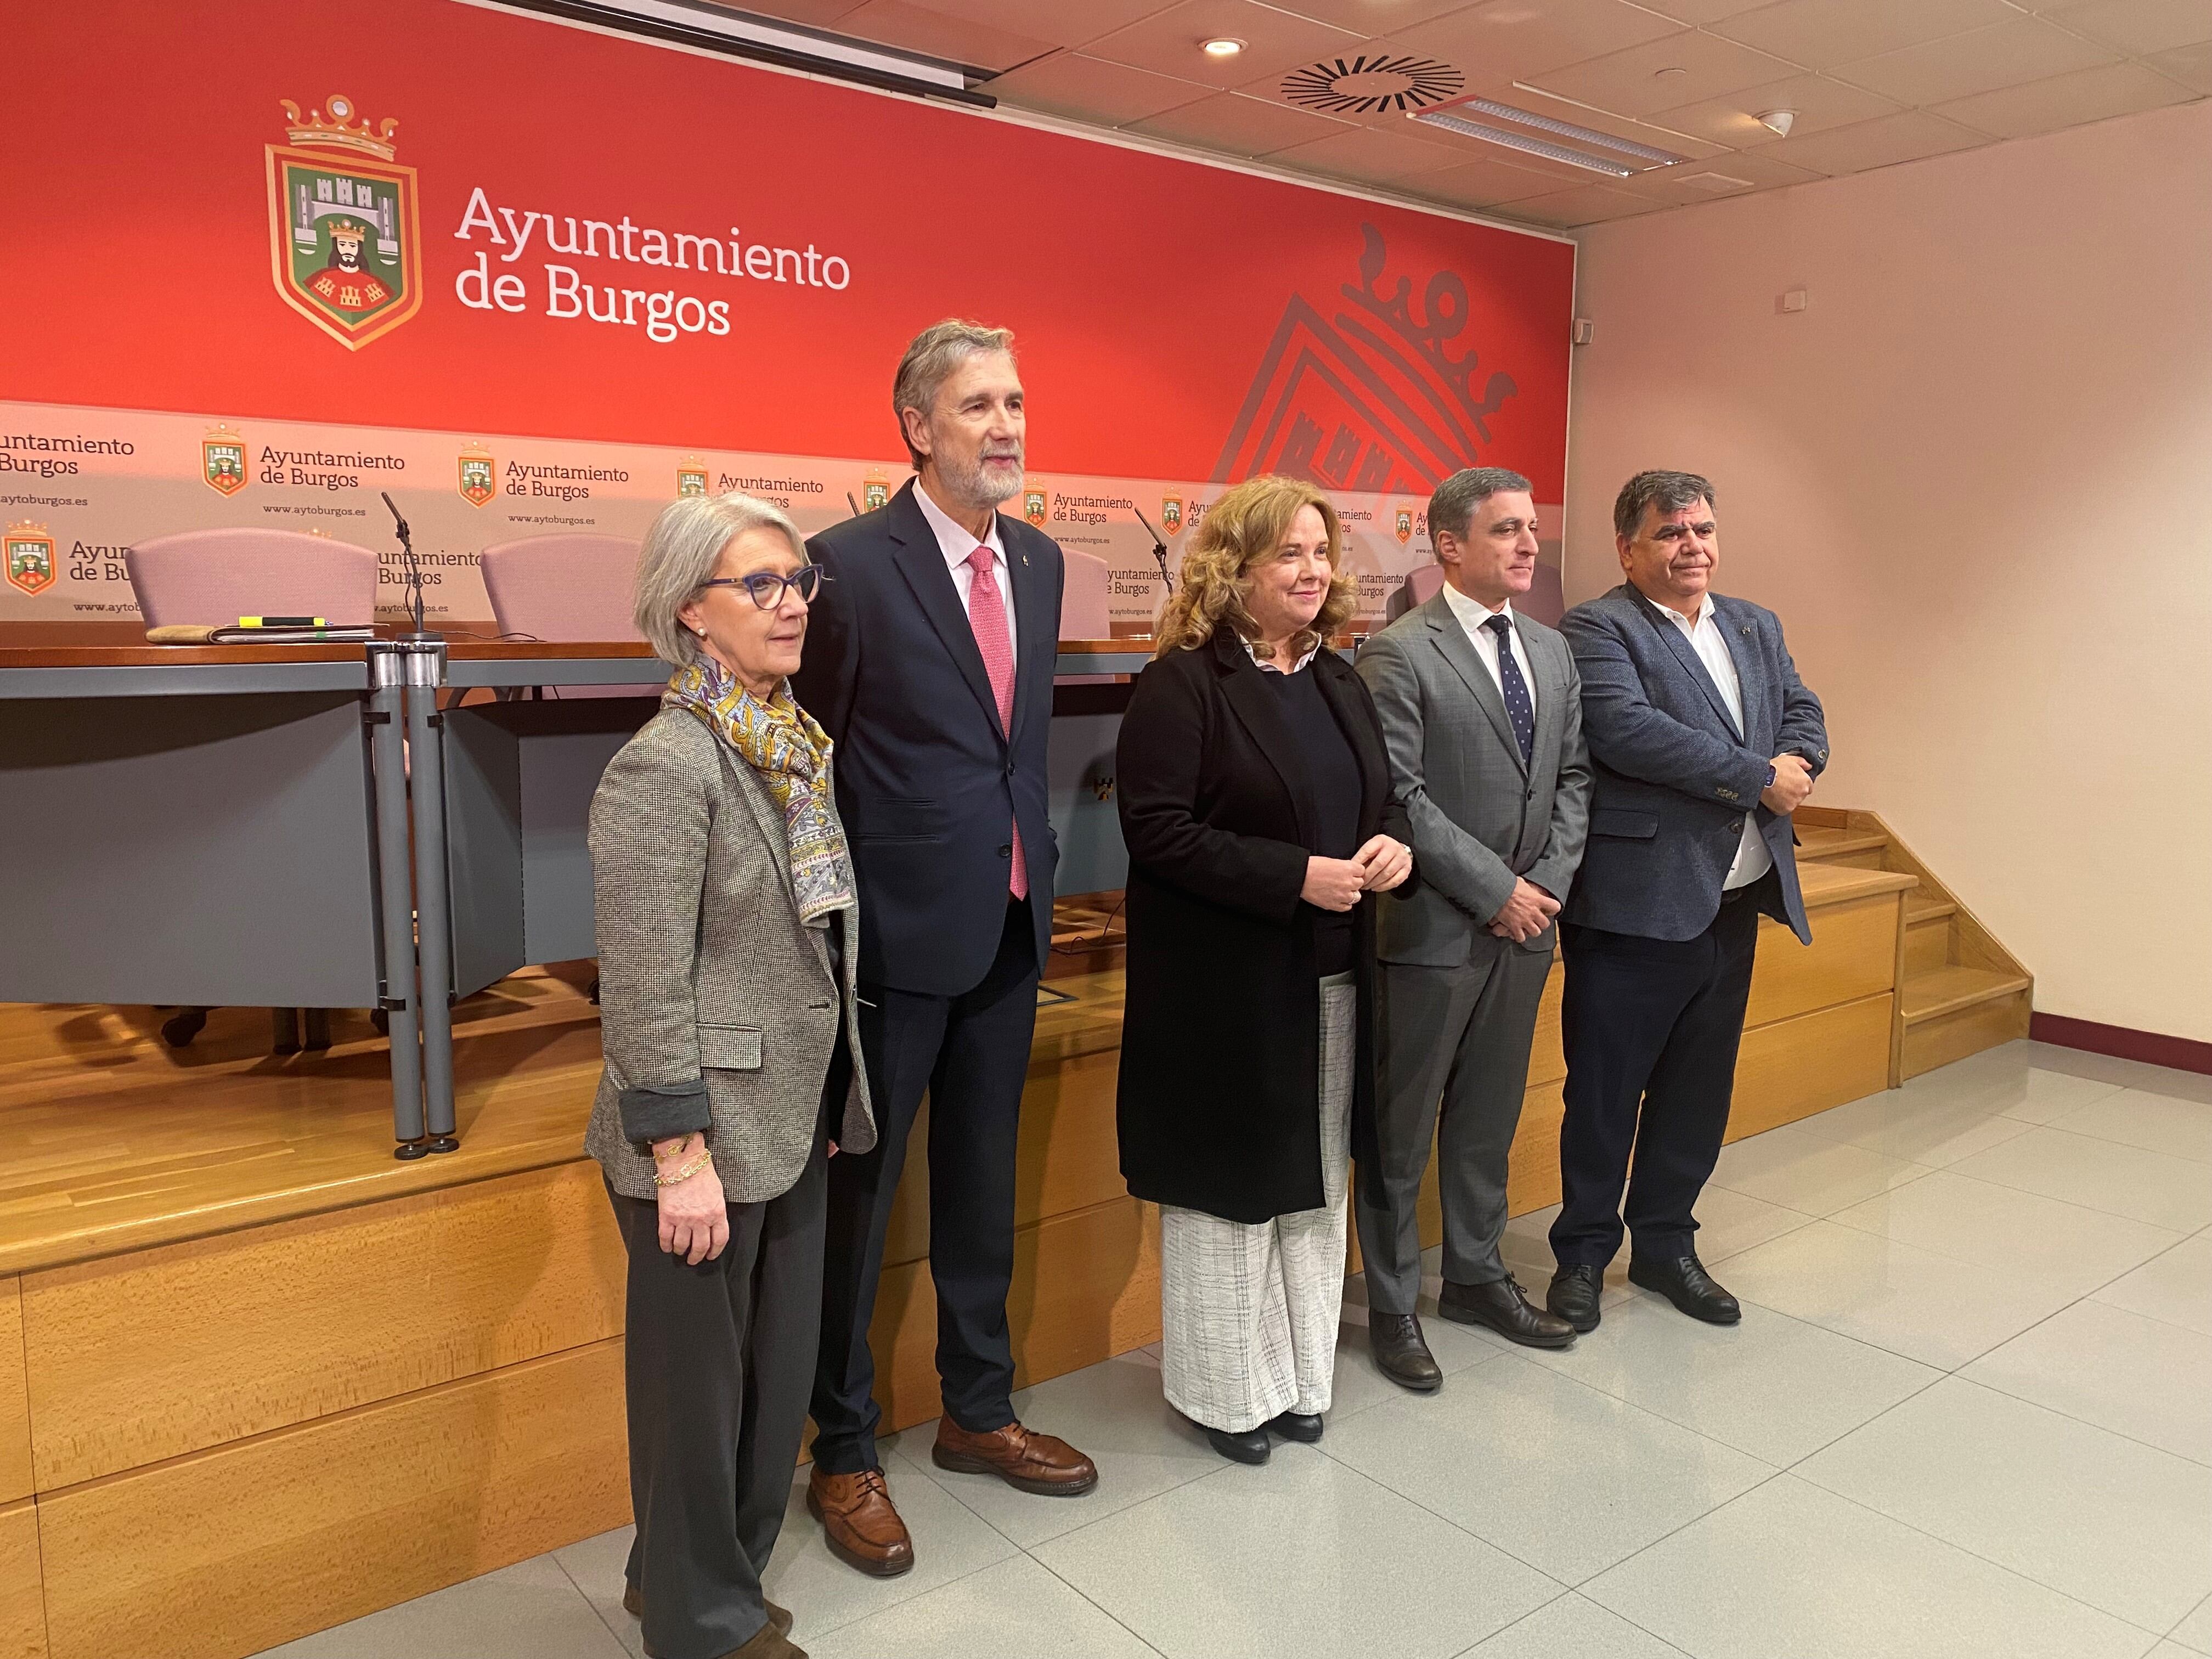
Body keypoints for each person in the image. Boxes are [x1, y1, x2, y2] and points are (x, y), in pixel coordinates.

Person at [792, 320, 1095, 1579]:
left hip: (1013, 920)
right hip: (892, 941)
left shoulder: (1040, 559)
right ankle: (845, 1448)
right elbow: (811, 763)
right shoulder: (845, 566)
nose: (1009, 425)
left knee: (982, 1185)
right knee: (861, 1207)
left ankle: (979, 1411)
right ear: (917, 426)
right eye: (979, 405)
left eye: (1016, 400)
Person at [585, 491, 876, 1659]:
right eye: (758, 585)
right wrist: (678, 1155)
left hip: (792, 1115)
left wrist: (837, 1092)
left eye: (797, 579)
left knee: (768, 1386)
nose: (790, 602)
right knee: (694, 1408)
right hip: (699, 1140)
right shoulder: (666, 766)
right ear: (691, 613)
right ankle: (704, 1626)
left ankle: (703, 1580)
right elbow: (647, 984)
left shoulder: (790, 742)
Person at [1114, 474, 1414, 1465]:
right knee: (1233, 1198)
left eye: (1321, 552)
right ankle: (1225, 1396)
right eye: (1289, 552)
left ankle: (1299, 1379)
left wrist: (1392, 851)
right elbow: (1156, 833)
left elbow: (1386, 803)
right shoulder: (1182, 684)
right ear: (1230, 569)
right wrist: (1298, 877)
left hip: (1331, 986)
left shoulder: (1339, 678)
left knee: (1315, 1188)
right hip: (1226, 994)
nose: (1312, 568)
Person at [1548, 470, 1829, 1333]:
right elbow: (1629, 731)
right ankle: (1584, 1256)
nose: (1692, 547)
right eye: (1671, 533)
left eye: (1702, 529)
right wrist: (1758, 777)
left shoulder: (1753, 623)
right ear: (1628, 548)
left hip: (1736, 897)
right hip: (1637, 904)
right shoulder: (1598, 627)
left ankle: (1667, 1245)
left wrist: (1801, 762)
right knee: (1606, 1091)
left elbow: (1804, 709)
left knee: (1698, 1089)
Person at [1353, 467, 1591, 1387]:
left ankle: (1478, 1276)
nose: (1530, 544)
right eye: (1507, 530)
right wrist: (1496, 889)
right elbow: (1399, 797)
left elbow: (1574, 778)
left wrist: (1546, 886)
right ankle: (1392, 1304)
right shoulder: (1401, 654)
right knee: (1403, 1128)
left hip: (1530, 926)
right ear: (1450, 545)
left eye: (1531, 529)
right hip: (1434, 931)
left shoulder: (1552, 650)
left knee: (1489, 1119)